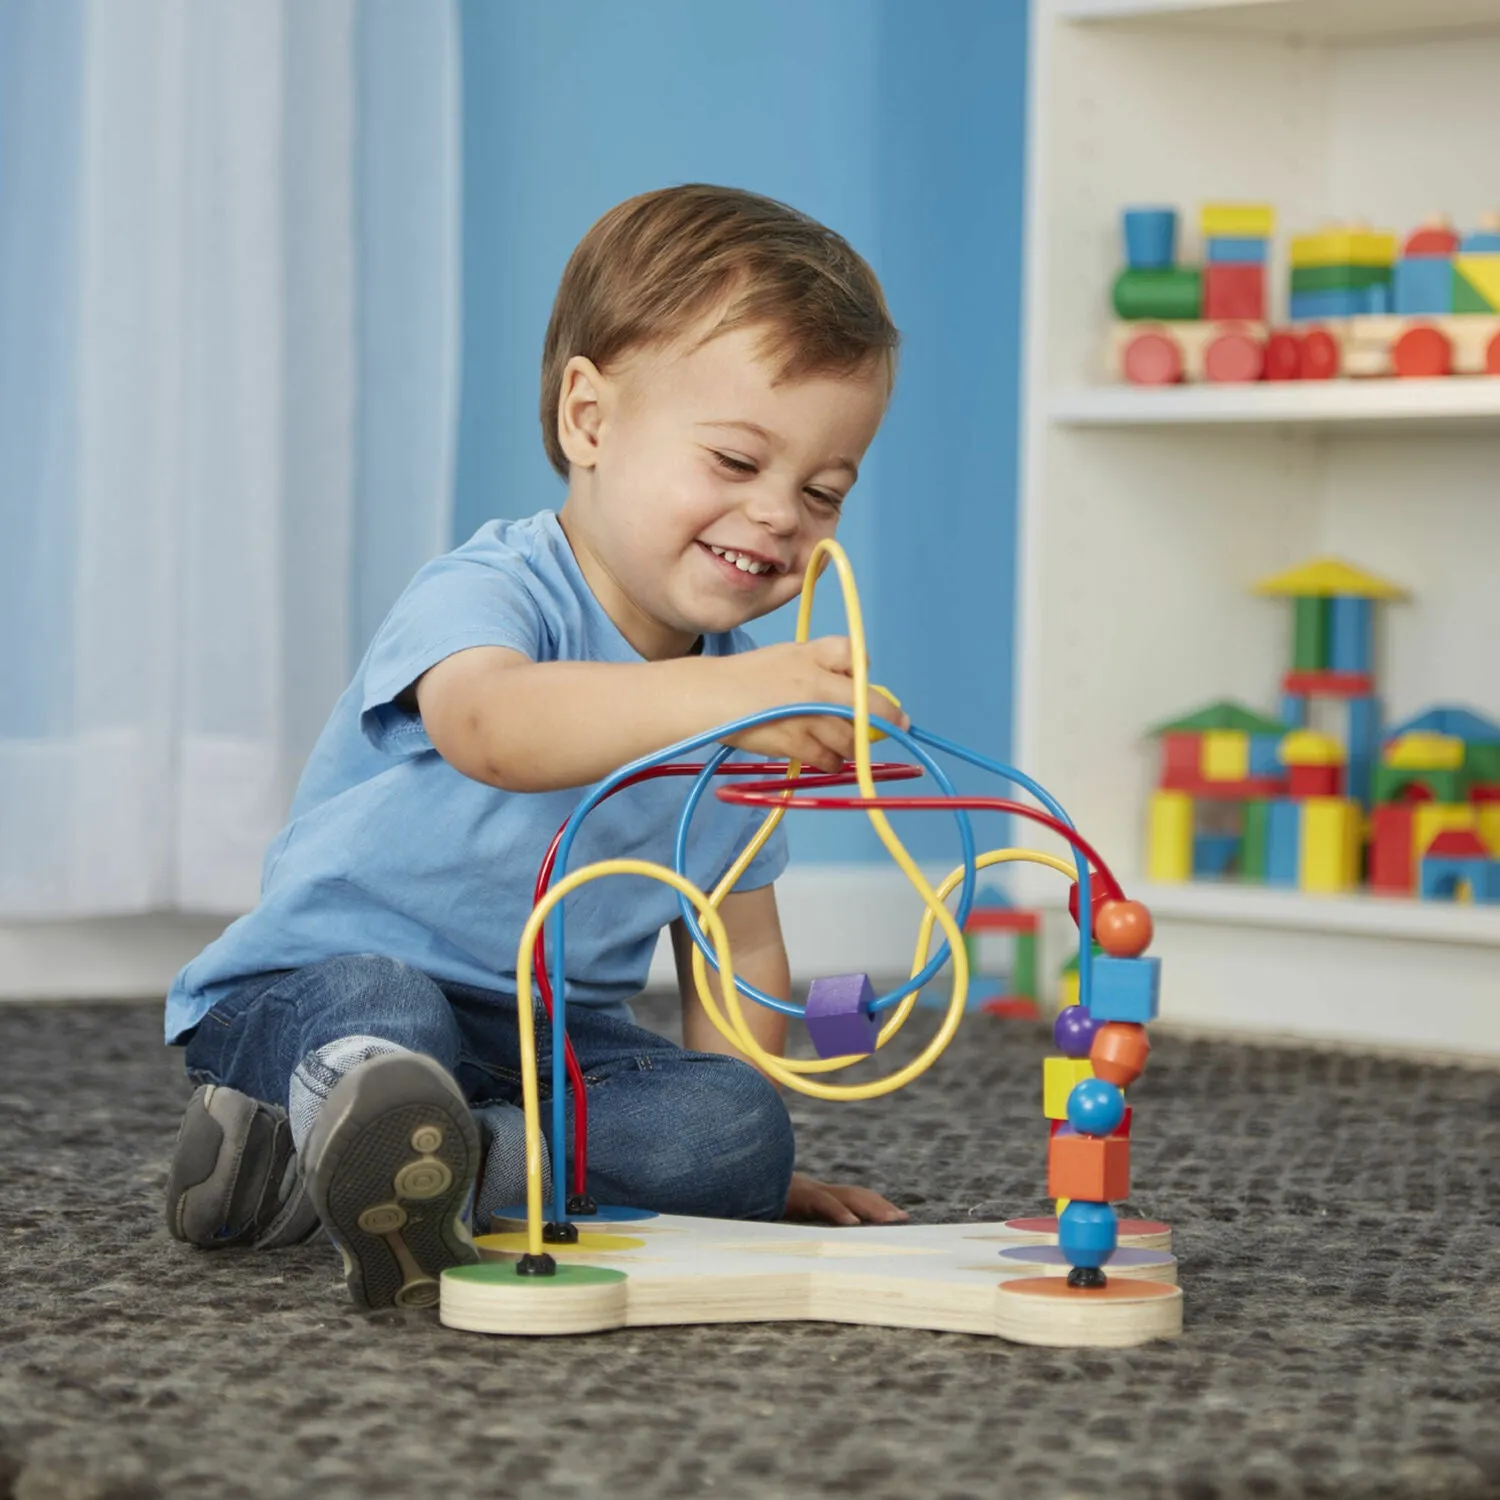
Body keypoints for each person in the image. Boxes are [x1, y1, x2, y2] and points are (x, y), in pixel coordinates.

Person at [163, 183, 911, 1310]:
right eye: (734, 462)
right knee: (387, 1015)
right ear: (589, 422)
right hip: (324, 989)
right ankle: (345, 1121)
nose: (777, 516)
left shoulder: (745, 702)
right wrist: (736, 693)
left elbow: (736, 948)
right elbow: (495, 731)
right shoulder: (493, 588)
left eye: (822, 492)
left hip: (537, 1046)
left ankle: (393, 1162)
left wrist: (749, 1169)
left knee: (732, 1130)